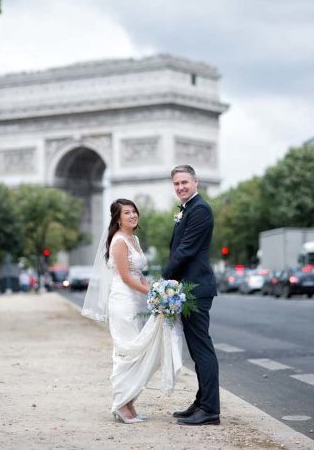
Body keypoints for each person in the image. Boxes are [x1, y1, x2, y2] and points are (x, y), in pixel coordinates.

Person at [82, 198, 184, 424]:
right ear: (118, 219)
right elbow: (127, 278)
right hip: (123, 302)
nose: (132, 215)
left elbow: (139, 274)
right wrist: (153, 294)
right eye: (127, 213)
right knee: (127, 352)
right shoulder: (119, 241)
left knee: (139, 352)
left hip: (136, 301)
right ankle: (120, 404)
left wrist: (158, 291)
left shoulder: (134, 239)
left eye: (134, 211)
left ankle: (129, 403)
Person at [164, 165, 220, 426]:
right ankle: (201, 402)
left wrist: (163, 280)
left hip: (196, 288)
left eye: (184, 182)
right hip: (190, 287)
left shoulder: (200, 209)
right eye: (176, 184)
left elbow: (185, 250)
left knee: (202, 350)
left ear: (196, 181)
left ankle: (210, 409)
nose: (180, 187)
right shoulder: (188, 209)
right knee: (198, 351)